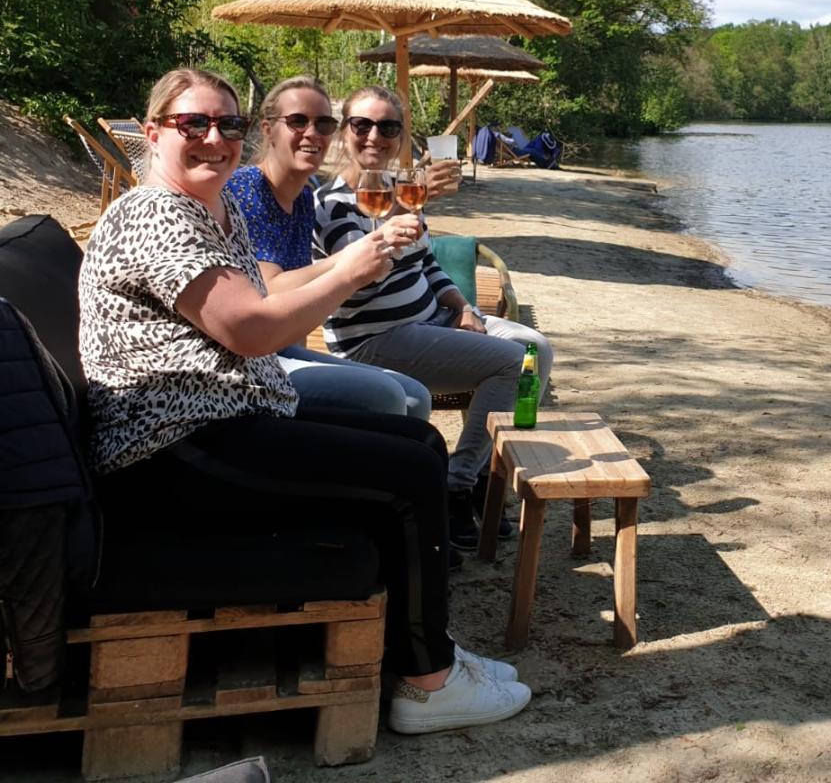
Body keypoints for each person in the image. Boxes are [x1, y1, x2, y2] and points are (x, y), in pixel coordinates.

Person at [78, 68, 530, 734]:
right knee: (408, 472)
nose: (213, 138)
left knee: (421, 443)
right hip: (170, 446)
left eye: (226, 124)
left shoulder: (211, 209)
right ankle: (429, 685)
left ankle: (424, 648)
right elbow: (251, 327)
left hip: (225, 412)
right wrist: (351, 267)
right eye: (192, 124)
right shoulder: (154, 214)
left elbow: (253, 314)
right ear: (152, 134)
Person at [313, 85, 554, 552]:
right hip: (377, 339)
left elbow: (428, 265)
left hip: (433, 323)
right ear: (345, 132)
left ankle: (487, 471)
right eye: (362, 125)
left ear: (402, 136)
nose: (374, 137)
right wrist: (401, 213)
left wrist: (463, 307)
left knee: (537, 349)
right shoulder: (332, 204)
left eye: (388, 127)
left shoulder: (405, 196)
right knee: (513, 362)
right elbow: (361, 281)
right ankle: (456, 485)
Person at [225, 75, 431, 420]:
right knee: (389, 395)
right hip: (244, 356)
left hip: (283, 345)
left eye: (323, 123)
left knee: (417, 396)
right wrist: (353, 259)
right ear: (268, 129)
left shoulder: (305, 195)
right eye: (297, 121)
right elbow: (269, 289)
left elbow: (299, 300)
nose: (312, 133)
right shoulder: (248, 189)